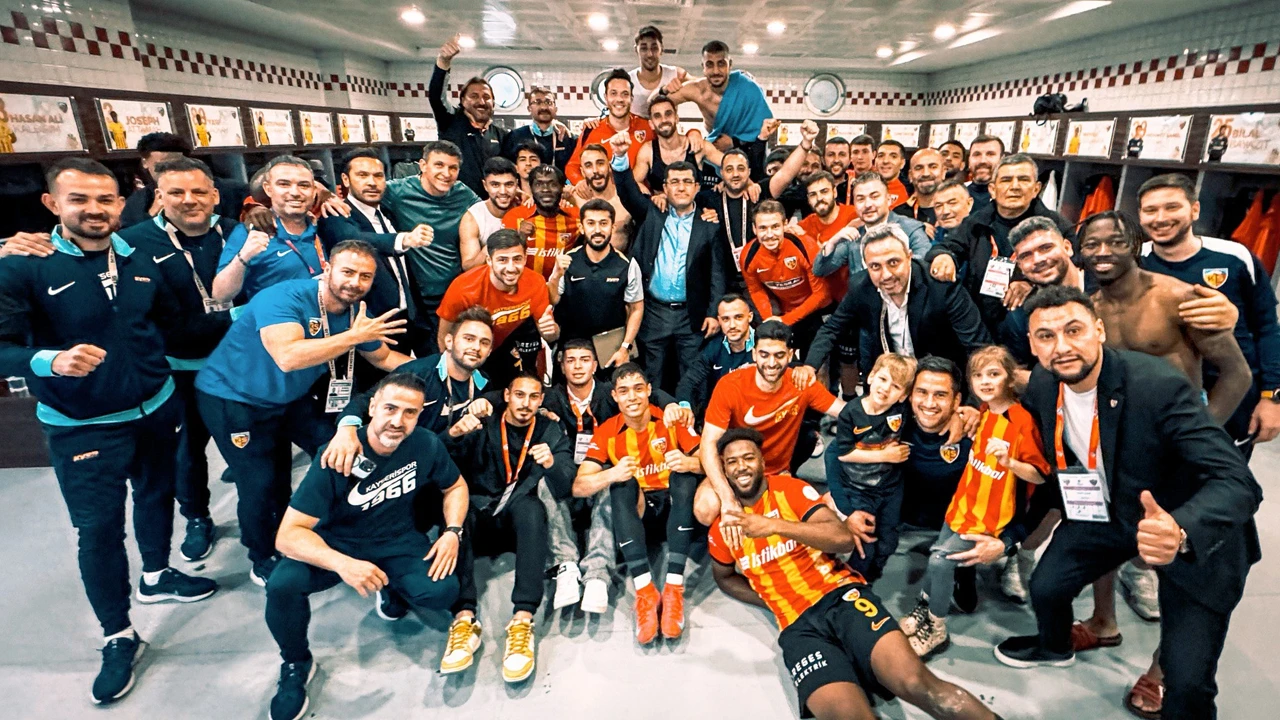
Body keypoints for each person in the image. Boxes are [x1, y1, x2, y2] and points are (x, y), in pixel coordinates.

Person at [0, 158, 219, 704]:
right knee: (98, 531)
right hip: (82, 425)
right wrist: (50, 361)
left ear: (122, 204)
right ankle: (118, 634)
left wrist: (252, 317)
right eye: (79, 199)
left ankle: (157, 574)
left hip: (156, 405)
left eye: (105, 199)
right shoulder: (25, 264)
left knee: (157, 496)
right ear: (52, 204)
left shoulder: (141, 255)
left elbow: (176, 325)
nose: (94, 210)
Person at [993, 285, 1262, 720]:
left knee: (1188, 679)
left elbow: (1238, 481)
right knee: (1046, 586)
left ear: (1099, 330)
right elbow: (1049, 470)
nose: (1061, 347)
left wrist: (1179, 529)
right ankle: (1055, 646)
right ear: (1032, 344)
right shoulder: (1044, 383)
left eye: (1074, 330)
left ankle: (1168, 678)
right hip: (1106, 512)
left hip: (1184, 525)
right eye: (1046, 336)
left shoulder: (1157, 385)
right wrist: (1009, 537)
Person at [708, 429, 1003, 720]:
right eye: (732, 462)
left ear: (762, 460)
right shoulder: (723, 528)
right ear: (723, 470)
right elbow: (725, 577)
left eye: (748, 457)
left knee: (916, 684)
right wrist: (771, 598)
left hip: (842, 598)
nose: (741, 466)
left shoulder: (789, 490)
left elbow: (842, 539)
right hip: (797, 628)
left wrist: (774, 526)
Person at [196, 241, 410, 585]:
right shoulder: (283, 298)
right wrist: (353, 337)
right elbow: (288, 356)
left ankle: (320, 529)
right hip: (234, 398)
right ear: (327, 269)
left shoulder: (355, 314)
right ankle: (262, 555)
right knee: (260, 482)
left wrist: (439, 368)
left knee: (337, 451)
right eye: (347, 272)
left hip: (289, 399)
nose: (354, 282)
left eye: (364, 276)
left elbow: (383, 357)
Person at [264, 373, 469, 720]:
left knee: (442, 591)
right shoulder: (338, 453)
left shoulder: (425, 443)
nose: (397, 420)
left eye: (409, 412)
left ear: (419, 415)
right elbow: (287, 535)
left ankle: (390, 586)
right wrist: (342, 564)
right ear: (372, 407)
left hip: (397, 540)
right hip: (338, 544)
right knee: (282, 585)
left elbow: (456, 487)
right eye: (390, 408)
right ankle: (296, 663)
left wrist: (452, 531)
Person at [116, 157, 235, 562]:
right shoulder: (130, 242)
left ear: (214, 195)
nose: (189, 200)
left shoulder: (237, 232)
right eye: (176, 192)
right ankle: (197, 517)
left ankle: (267, 518)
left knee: (250, 447)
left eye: (199, 191)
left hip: (236, 367)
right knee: (187, 452)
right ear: (159, 197)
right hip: (177, 370)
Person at [900, 346, 1050, 658]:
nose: (985, 381)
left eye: (993, 374)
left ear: (1010, 377)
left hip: (989, 518)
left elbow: (1040, 476)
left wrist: (1010, 462)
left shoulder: (1022, 421)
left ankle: (937, 628)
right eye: (978, 375)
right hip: (961, 507)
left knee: (939, 562)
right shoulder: (982, 411)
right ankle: (924, 608)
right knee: (937, 553)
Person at [443, 373, 574, 683]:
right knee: (458, 515)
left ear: (541, 401)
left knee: (532, 509)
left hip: (517, 520)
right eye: (519, 395)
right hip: (480, 512)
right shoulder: (484, 421)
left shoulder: (549, 431)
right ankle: (464, 620)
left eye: (533, 397)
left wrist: (552, 464)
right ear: (506, 396)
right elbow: (443, 460)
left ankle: (523, 619)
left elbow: (566, 483)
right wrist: (455, 433)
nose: (525, 403)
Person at [1137, 173, 1280, 456]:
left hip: (1235, 397)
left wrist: (1272, 397)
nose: (1160, 218)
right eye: (1150, 210)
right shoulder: (1133, 262)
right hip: (1161, 397)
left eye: (1172, 207)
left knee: (1223, 474)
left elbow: (1267, 328)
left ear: (1195, 209)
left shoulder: (1235, 257)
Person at [575, 363, 703, 643]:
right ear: (615, 396)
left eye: (637, 389)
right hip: (639, 515)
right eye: (624, 391)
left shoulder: (671, 420)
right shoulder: (606, 431)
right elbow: (579, 486)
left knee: (683, 477)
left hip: (677, 509)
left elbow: (709, 461)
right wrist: (612, 473)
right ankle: (645, 591)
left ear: (648, 390)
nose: (631, 397)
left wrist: (689, 462)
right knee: (621, 484)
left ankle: (674, 589)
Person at [696, 320, 846, 529]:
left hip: (776, 472)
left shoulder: (801, 383)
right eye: (764, 355)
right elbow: (708, 444)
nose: (771, 363)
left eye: (779, 355)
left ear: (790, 355)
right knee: (705, 509)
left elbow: (849, 413)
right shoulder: (730, 385)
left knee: (813, 518)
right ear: (754, 354)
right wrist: (728, 499)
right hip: (736, 470)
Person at [610, 131, 727, 392]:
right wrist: (620, 157)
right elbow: (627, 192)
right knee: (651, 377)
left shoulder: (709, 225)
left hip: (692, 315)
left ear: (697, 188)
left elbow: (717, 274)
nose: (681, 187)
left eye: (687, 182)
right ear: (665, 188)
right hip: (653, 311)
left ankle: (690, 417)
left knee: (692, 379)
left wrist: (713, 313)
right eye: (674, 182)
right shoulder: (652, 212)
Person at [803, 224, 992, 383]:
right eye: (875, 266)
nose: (886, 275)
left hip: (941, 381)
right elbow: (832, 329)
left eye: (893, 262)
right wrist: (809, 367)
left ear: (909, 257)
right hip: (893, 383)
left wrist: (974, 403)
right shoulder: (860, 286)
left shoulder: (941, 287)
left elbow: (979, 348)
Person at [926, 153, 1072, 332]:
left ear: (1036, 189)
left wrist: (1034, 284)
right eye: (1006, 180)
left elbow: (1074, 272)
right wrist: (943, 256)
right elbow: (949, 246)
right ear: (993, 190)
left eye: (1023, 179)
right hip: (981, 322)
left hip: (1033, 323)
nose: (1014, 186)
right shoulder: (976, 222)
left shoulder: (1056, 227)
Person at [317, 149, 434, 358]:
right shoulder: (336, 215)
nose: (372, 182)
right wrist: (404, 239)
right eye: (362, 175)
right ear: (345, 179)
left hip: (411, 318)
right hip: (371, 324)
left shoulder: (388, 212)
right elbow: (355, 240)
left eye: (378, 176)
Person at [382, 140, 481, 345]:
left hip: (454, 292)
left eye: (453, 168)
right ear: (423, 165)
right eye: (439, 165)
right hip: (416, 298)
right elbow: (362, 196)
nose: (446, 173)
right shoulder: (398, 191)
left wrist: (512, 197)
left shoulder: (463, 194)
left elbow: (488, 211)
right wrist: (326, 194)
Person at [700, 119, 816, 294]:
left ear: (748, 172)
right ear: (721, 173)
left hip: (759, 280)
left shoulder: (758, 193)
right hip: (721, 283)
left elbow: (785, 174)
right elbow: (681, 200)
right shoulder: (708, 199)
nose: (735, 174)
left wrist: (806, 144)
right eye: (729, 169)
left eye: (741, 168)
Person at [828, 353, 916, 582]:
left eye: (896, 386)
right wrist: (884, 455)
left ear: (903, 396)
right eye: (883, 379)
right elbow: (844, 454)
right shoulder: (851, 413)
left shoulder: (901, 411)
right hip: (858, 489)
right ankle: (854, 580)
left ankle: (875, 569)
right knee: (865, 540)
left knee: (888, 541)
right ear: (870, 377)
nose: (886, 388)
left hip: (889, 489)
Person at [436, 229, 559, 390]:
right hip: (472, 349)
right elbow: (444, 336)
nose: (511, 268)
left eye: (517, 259)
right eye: (502, 260)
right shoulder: (463, 288)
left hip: (506, 345)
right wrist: (452, 375)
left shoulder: (536, 282)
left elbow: (551, 335)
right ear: (489, 260)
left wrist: (550, 331)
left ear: (525, 258)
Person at [213, 155, 324, 303]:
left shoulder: (325, 225)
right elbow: (220, 295)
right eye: (284, 184)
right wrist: (244, 256)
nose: (295, 192)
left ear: (314, 190)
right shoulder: (250, 232)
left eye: (304, 185)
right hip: (275, 316)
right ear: (268, 188)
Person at [548, 199, 644, 369]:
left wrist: (625, 347)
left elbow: (636, 308)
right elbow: (553, 300)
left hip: (610, 347)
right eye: (591, 223)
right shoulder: (567, 260)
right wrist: (555, 276)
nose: (597, 230)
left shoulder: (627, 265)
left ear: (613, 227)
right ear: (581, 227)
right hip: (572, 346)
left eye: (603, 223)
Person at [664, 40, 773, 179]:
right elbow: (656, 105)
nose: (716, 71)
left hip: (748, 157)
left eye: (721, 63)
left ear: (730, 65)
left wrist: (735, 142)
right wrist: (664, 90)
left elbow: (768, 130)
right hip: (713, 154)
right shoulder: (697, 90)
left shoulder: (749, 88)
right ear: (703, 67)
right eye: (710, 64)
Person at [741, 200, 830, 354]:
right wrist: (770, 319)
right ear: (754, 229)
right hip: (782, 310)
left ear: (785, 225)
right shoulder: (748, 256)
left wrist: (786, 320)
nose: (769, 234)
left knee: (816, 360)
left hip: (816, 308)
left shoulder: (805, 246)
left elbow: (821, 293)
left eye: (775, 227)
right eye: (763, 228)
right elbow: (756, 290)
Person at [810, 172, 932, 282]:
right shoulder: (854, 236)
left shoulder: (911, 228)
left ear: (889, 200)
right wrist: (832, 242)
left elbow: (923, 265)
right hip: (864, 299)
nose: (867, 204)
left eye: (874, 197)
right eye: (860, 199)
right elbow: (819, 270)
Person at [118, 131, 248, 233]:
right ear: (145, 162)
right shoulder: (137, 202)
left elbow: (250, 198)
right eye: (160, 165)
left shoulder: (227, 189)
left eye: (175, 164)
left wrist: (253, 207)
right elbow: (127, 239)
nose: (168, 170)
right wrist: (151, 216)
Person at [430, 35, 506, 195]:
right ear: (463, 101)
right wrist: (443, 62)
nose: (481, 101)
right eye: (474, 96)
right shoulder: (450, 122)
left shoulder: (501, 135)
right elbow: (436, 97)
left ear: (493, 102)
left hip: (491, 204)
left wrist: (554, 125)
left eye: (486, 97)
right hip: (455, 202)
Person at [565, 69, 652, 185]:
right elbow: (572, 167)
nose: (619, 99)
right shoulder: (591, 130)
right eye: (613, 93)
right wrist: (582, 184)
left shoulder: (647, 128)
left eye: (625, 94)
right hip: (602, 195)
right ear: (606, 98)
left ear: (631, 98)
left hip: (639, 194)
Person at [674, 293, 756, 414]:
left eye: (738, 317)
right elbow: (688, 382)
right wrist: (685, 408)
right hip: (724, 414)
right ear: (719, 321)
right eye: (726, 319)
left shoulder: (765, 343)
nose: (732, 325)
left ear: (750, 317)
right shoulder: (714, 347)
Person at [503, 164, 579, 280]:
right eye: (539, 184)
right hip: (525, 286)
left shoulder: (576, 218)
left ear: (562, 188)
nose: (545, 190)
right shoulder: (515, 217)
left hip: (563, 286)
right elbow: (504, 259)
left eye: (553, 184)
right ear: (531, 188)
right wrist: (520, 236)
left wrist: (574, 200)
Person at [568, 142, 634, 252]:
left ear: (609, 166)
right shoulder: (575, 198)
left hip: (622, 260)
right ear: (582, 172)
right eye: (588, 165)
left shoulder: (626, 198)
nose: (595, 170)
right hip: (588, 262)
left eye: (600, 163)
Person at [459, 157, 521, 270]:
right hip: (487, 277)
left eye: (509, 184)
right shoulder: (473, 217)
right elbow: (468, 267)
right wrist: (495, 244)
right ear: (485, 185)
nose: (503, 191)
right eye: (495, 185)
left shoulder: (525, 208)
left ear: (516, 184)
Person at [501, 86, 574, 171]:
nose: (544, 107)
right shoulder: (515, 137)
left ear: (555, 109)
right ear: (529, 108)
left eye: (548, 102)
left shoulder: (566, 137)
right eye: (538, 102)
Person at [629, 25, 686, 119]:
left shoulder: (676, 74)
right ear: (636, 50)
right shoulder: (627, 81)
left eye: (654, 48)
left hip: (667, 127)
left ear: (661, 49)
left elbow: (703, 85)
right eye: (644, 48)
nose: (649, 54)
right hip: (635, 128)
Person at [895, 148, 945, 229]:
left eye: (933, 167)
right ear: (910, 176)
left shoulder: (956, 211)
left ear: (943, 172)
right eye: (918, 168)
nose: (926, 174)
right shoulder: (898, 215)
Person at [929, 178, 975, 246]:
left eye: (952, 203)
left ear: (969, 204)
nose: (945, 211)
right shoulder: (930, 238)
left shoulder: (982, 236)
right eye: (939, 206)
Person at [964, 135, 1003, 210]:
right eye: (977, 154)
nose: (982, 161)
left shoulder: (1012, 195)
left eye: (990, 154)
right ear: (969, 160)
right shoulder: (954, 193)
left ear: (1002, 159)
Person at [874, 140, 910, 210]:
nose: (885, 161)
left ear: (902, 163)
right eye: (881, 156)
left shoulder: (911, 191)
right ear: (875, 161)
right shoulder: (863, 187)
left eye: (893, 156)